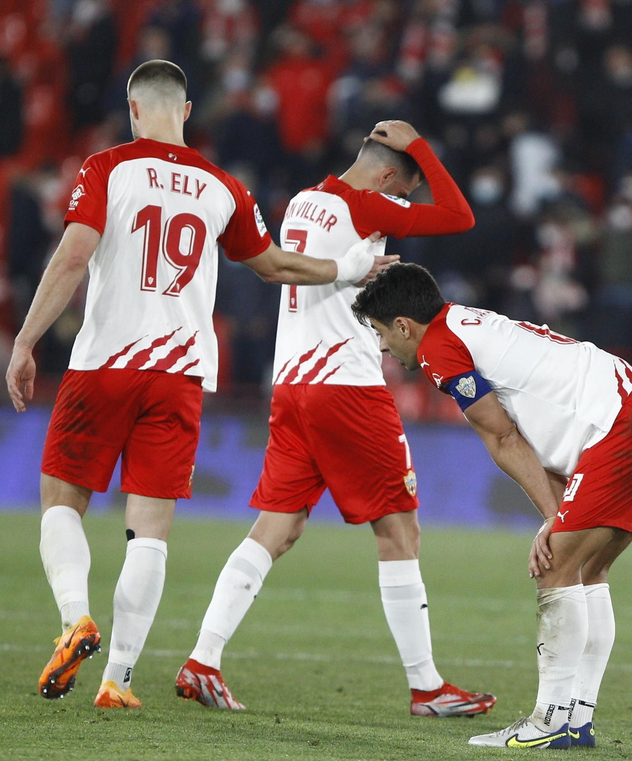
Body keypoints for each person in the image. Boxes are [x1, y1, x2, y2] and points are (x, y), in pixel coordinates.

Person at [5, 59, 396, 709]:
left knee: (61, 499)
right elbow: (272, 265)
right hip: (181, 373)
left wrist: (25, 340)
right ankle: (120, 680)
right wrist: (347, 265)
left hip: (105, 362)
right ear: (186, 112)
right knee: (150, 529)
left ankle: (76, 617)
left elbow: (74, 253)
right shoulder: (223, 187)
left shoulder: (108, 168)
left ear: (134, 110)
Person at [175, 120, 495, 719]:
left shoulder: (304, 201)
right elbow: (459, 216)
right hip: (345, 388)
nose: (404, 204)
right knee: (400, 532)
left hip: (292, 385)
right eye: (405, 188)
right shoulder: (369, 204)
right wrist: (422, 144)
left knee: (277, 529)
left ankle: (203, 658)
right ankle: (426, 687)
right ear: (389, 175)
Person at [351, 263, 632, 749]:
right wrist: (556, 516)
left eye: (383, 334)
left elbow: (503, 435)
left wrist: (552, 519)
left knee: (555, 567)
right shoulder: (468, 322)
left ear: (404, 326)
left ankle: (549, 721)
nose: (384, 348)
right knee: (587, 570)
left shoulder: (438, 347)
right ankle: (576, 719)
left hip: (625, 428)